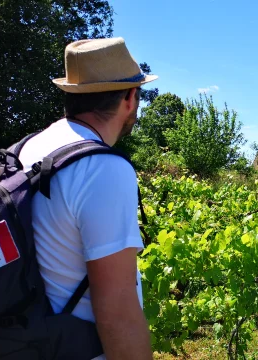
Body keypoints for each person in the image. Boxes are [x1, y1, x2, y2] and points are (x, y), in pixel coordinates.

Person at [17, 37, 156, 360]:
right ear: (130, 98)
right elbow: (117, 311)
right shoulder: (103, 169)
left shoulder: (30, 147)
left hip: (25, 339)